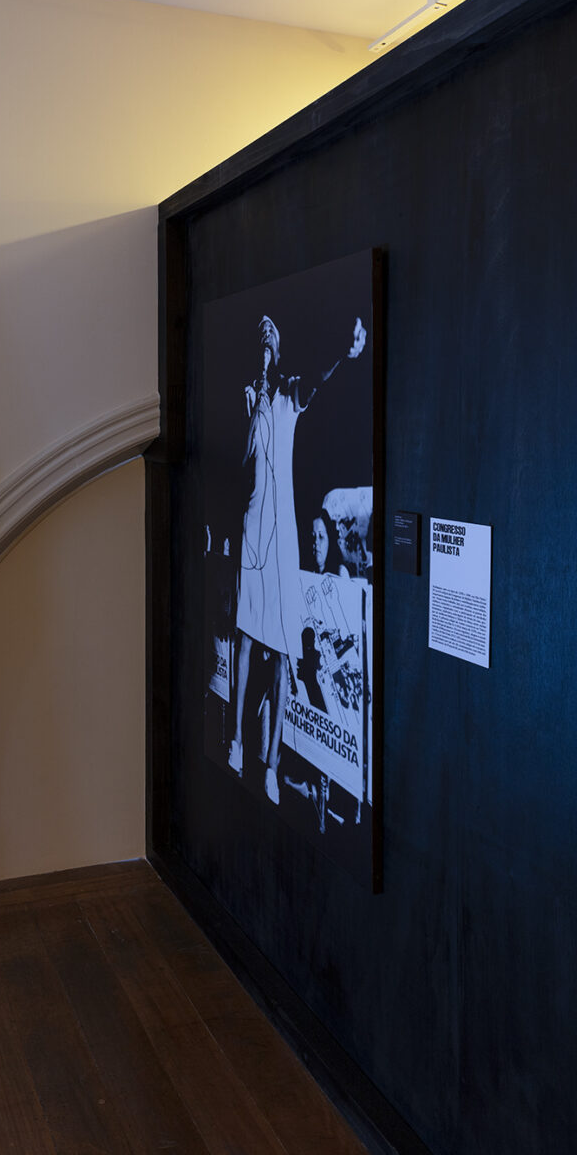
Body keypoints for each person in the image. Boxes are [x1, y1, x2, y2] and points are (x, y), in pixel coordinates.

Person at [227, 312, 365, 804]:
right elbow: (245, 456)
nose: (265, 339)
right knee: (246, 636)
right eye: (260, 335)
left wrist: (342, 353)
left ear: (280, 348)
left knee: (284, 649)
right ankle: (237, 742)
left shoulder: (289, 392)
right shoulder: (254, 395)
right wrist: (257, 396)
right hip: (253, 524)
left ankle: (271, 767)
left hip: (283, 532)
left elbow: (319, 379)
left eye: (272, 335)